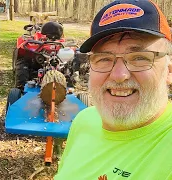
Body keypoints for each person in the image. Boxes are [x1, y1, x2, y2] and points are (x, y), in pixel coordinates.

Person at [54, 0, 172, 179]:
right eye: (103, 58)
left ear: (169, 71)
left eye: (139, 58)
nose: (119, 75)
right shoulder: (84, 120)